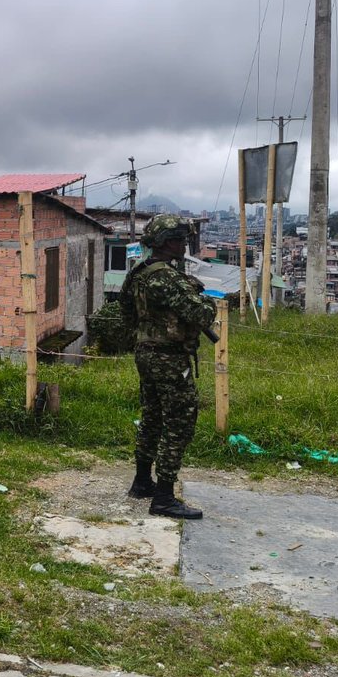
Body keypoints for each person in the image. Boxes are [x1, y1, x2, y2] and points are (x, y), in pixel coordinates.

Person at [119, 214, 216, 519]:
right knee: (179, 421)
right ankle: (163, 496)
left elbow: (125, 310)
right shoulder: (166, 277)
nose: (184, 244)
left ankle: (142, 481)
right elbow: (201, 315)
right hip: (169, 357)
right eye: (179, 240)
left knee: (152, 417)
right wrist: (203, 298)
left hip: (145, 352)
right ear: (165, 242)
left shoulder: (139, 272)